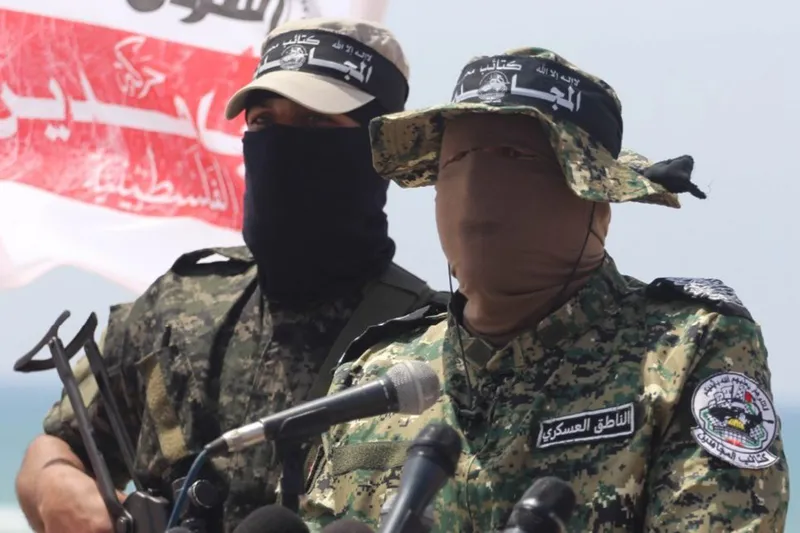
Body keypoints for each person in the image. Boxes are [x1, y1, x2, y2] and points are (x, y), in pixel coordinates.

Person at [299, 47, 789, 532]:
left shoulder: (684, 350)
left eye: (514, 156)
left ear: (595, 201)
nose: (475, 188)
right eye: (457, 160)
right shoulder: (381, 374)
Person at [14, 17, 451, 533]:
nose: (283, 145)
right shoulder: (178, 308)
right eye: (263, 122)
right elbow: (57, 448)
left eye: (315, 123)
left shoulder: (428, 349)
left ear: (382, 151)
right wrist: (59, 489)